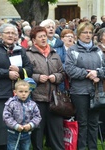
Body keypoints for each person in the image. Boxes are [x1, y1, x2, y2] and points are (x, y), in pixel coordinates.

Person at [0, 23, 33, 150]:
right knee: (4, 127)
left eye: (14, 33)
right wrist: (7, 74)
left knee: (20, 126)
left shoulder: (20, 50)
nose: (11, 35)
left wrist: (20, 70)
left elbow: (29, 69)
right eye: (8, 33)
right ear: (0, 35)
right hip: (1, 94)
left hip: (19, 95)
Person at [65, 21, 105, 150]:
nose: (87, 35)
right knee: (82, 123)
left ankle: (92, 147)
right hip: (79, 92)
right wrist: (87, 74)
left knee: (93, 123)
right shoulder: (72, 50)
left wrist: (97, 72)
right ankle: (81, 147)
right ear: (78, 34)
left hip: (96, 91)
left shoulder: (98, 50)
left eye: (90, 32)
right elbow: (70, 69)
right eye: (84, 32)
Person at [26, 26, 65, 150]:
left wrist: (56, 77)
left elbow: (62, 73)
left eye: (44, 36)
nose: (43, 38)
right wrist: (37, 77)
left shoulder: (54, 53)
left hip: (54, 98)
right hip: (37, 98)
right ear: (33, 39)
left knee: (57, 130)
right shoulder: (28, 54)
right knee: (38, 129)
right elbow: (26, 74)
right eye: (40, 36)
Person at [3, 80, 41, 150]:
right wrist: (15, 126)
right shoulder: (11, 103)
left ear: (29, 92)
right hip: (13, 133)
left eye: (26, 92)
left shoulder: (33, 104)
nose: (23, 94)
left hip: (27, 133)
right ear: (15, 92)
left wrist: (31, 125)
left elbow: (37, 117)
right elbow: (6, 117)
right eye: (21, 91)